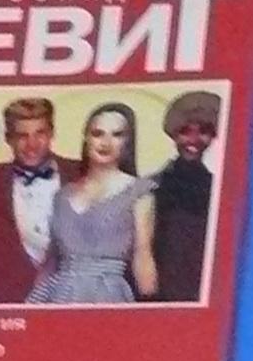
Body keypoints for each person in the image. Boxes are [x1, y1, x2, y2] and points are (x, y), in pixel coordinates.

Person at [29, 103, 157, 303]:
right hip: (57, 294)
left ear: (127, 142)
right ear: (86, 138)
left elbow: (143, 256)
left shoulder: (139, 192)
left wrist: (151, 306)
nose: (106, 142)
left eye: (117, 135)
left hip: (107, 295)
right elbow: (51, 260)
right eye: (98, 134)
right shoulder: (62, 196)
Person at [0, 96, 77, 304]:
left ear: (52, 133)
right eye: (22, 136)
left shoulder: (81, 173)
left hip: (74, 298)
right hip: (9, 300)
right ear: (8, 138)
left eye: (40, 133)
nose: (32, 144)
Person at [148, 90, 221, 303]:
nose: (194, 140)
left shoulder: (217, 187)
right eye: (185, 131)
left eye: (203, 132)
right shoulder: (154, 185)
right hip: (160, 286)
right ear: (174, 134)